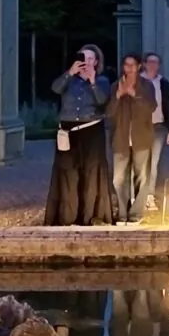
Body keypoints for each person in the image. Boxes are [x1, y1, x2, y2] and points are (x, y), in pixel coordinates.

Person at [45, 44, 113, 226]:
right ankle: (67, 216)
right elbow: (56, 89)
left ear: (96, 62)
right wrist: (69, 72)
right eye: (84, 58)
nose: (87, 62)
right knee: (68, 172)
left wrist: (92, 82)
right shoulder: (70, 79)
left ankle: (89, 215)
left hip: (91, 129)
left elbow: (102, 100)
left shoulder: (102, 81)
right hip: (68, 130)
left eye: (91, 59)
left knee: (91, 173)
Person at [107, 53, 156, 225]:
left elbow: (150, 108)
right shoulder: (114, 86)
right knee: (118, 178)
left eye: (132, 65)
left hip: (141, 137)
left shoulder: (147, 85)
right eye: (126, 65)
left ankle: (136, 213)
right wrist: (119, 95)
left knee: (141, 176)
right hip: (120, 138)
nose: (129, 68)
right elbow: (109, 113)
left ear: (138, 67)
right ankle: (122, 212)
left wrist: (134, 94)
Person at [141, 52, 169, 212]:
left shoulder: (164, 83)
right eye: (150, 62)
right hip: (140, 127)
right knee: (140, 162)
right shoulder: (138, 81)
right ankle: (138, 195)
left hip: (158, 126)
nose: (153, 65)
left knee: (153, 163)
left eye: (156, 62)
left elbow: (168, 105)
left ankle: (149, 196)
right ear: (144, 64)